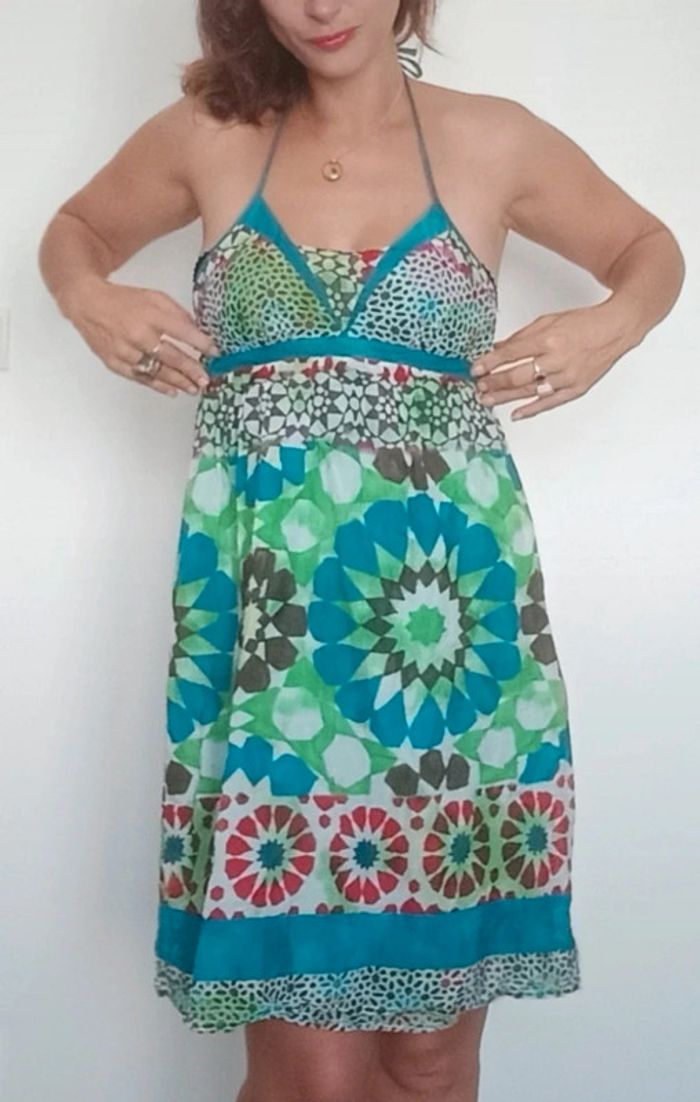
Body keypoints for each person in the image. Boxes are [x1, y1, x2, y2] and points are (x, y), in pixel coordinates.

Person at [38, 2, 684, 1100]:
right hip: (272, 655)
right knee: (312, 1077)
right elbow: (77, 231)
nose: (321, 5)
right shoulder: (208, 134)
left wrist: (607, 327)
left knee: (430, 1061)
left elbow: (647, 250)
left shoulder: (493, 139)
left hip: (452, 645)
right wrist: (88, 295)